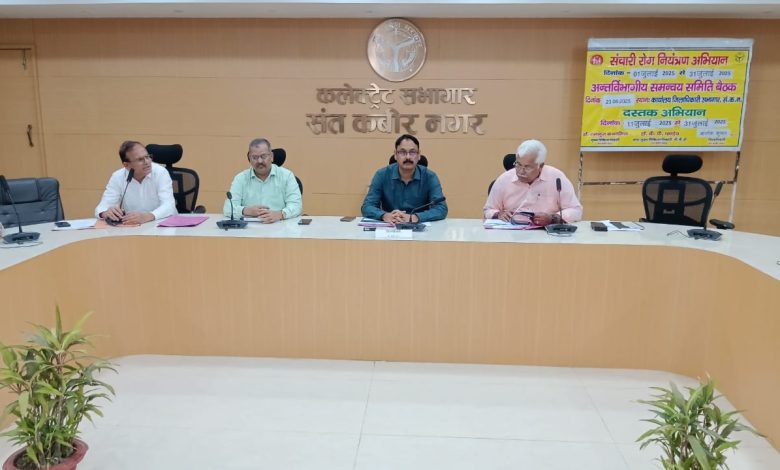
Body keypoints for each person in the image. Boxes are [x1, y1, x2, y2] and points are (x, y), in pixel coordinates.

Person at [483, 139, 582, 226]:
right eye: (518, 164)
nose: (521, 171)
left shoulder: (557, 178)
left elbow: (576, 210)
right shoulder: (504, 179)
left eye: (527, 167)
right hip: (511, 233)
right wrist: (498, 214)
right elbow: (488, 210)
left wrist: (552, 218)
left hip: (546, 235)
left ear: (541, 166)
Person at [361, 134, 448, 224]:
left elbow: (441, 208)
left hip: (420, 226)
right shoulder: (381, 175)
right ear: (395, 155)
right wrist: (385, 215)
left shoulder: (430, 177)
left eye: (412, 152)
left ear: (419, 155)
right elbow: (367, 207)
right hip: (391, 225)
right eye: (402, 152)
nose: (408, 157)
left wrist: (413, 217)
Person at [95, 140, 177, 224]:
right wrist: (105, 213)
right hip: (134, 226)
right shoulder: (117, 177)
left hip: (163, 224)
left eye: (147, 157)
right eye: (140, 159)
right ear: (126, 165)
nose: (147, 162)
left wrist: (148, 216)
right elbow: (101, 207)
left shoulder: (160, 172)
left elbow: (169, 206)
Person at [223, 138, 302, 223]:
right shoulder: (241, 178)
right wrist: (246, 210)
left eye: (263, 156)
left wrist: (280, 214)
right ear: (249, 158)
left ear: (271, 156)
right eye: (255, 157)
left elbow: (296, 206)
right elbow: (228, 208)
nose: (259, 161)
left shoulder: (287, 176)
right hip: (249, 228)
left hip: (279, 225)